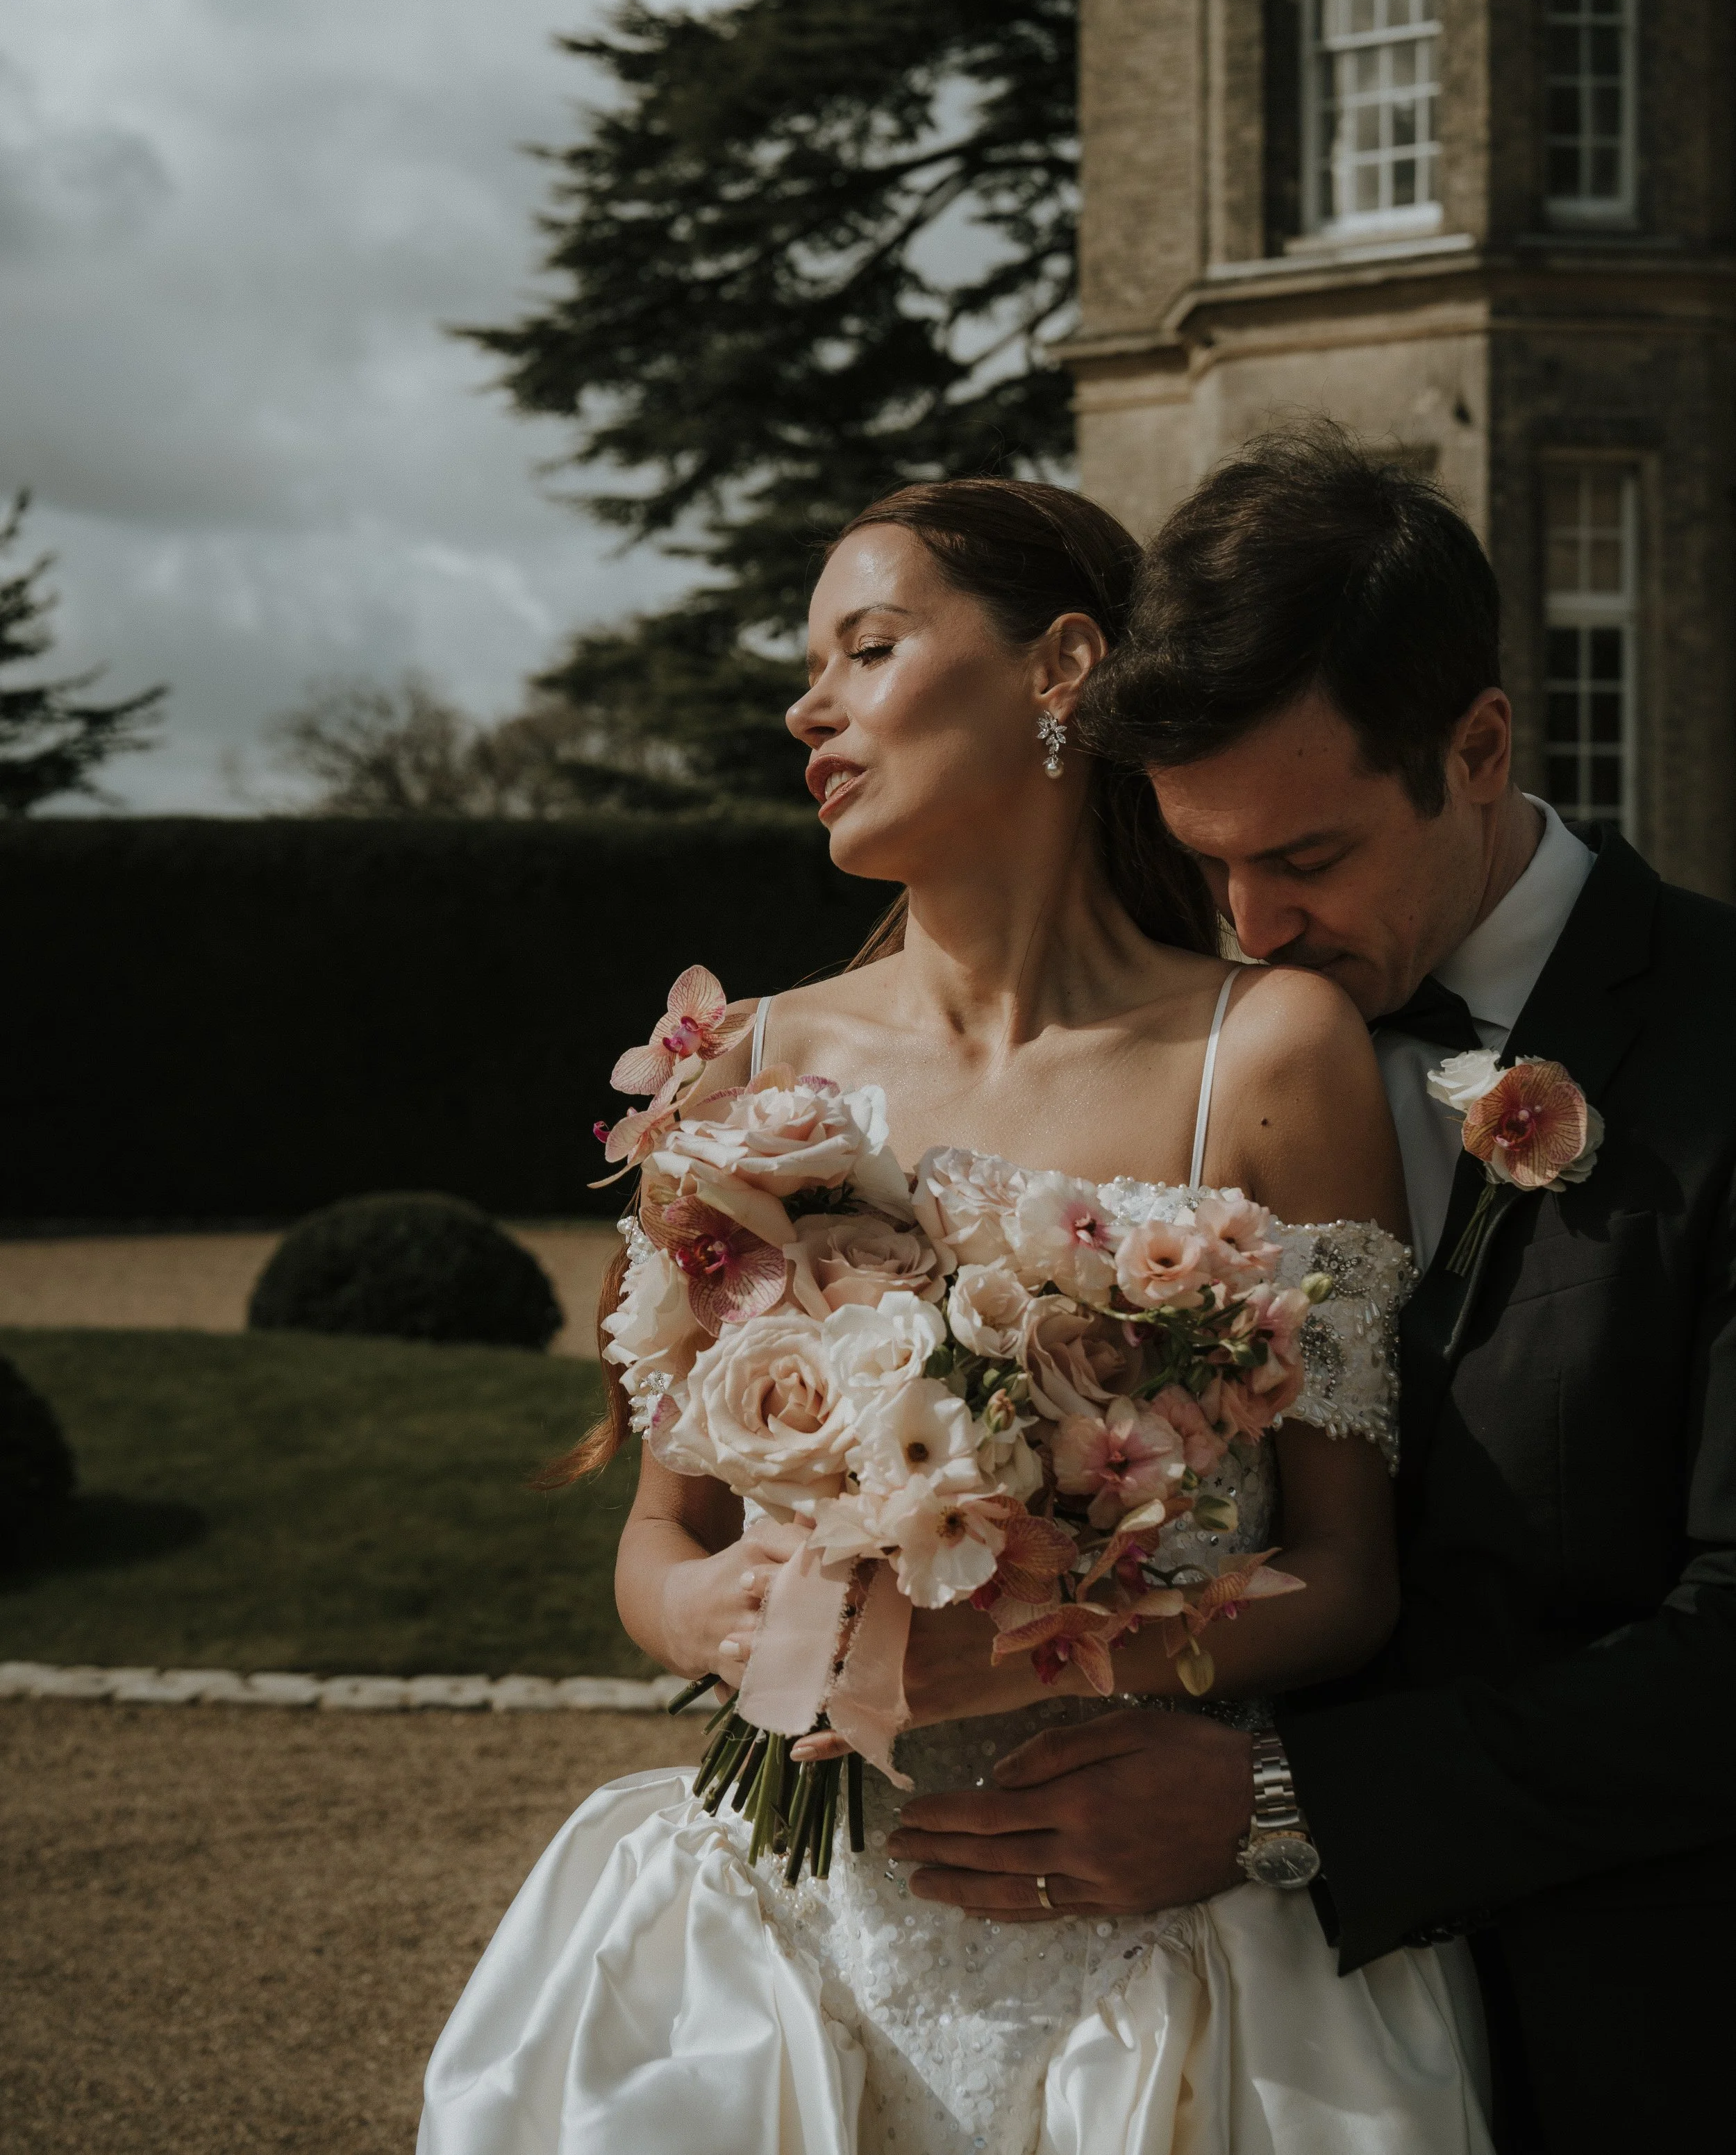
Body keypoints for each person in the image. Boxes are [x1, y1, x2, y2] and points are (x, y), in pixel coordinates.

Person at [419, 476, 1493, 2155]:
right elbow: (656, 1542)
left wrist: (1036, 1651)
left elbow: (1349, 1580)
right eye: (808, 667)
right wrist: (711, 1619)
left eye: (864, 646)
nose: (806, 705)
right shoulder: (740, 1072)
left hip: (1158, 1959)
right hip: (772, 1945)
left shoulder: (1267, 1054)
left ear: (1060, 666)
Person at [888, 430, 1736, 2154]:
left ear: (1478, 747)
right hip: (1211, 2045)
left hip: (1622, 2030)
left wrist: (1290, 1803)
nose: (1250, 928)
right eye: (1205, 865)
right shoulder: (1197, 1059)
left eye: (1306, 857)